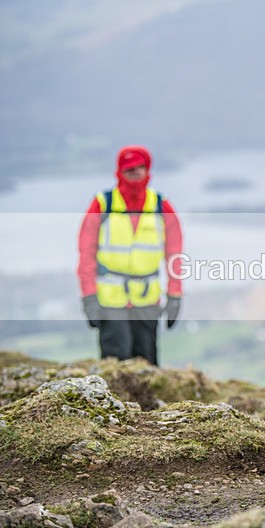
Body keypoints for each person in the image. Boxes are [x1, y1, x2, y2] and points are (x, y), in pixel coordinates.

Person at [77, 145, 183, 366]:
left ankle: (147, 403)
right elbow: (86, 253)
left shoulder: (161, 206)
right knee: (115, 366)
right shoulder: (103, 203)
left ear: (148, 169)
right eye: (129, 168)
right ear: (119, 171)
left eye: (140, 167)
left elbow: (175, 255)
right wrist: (89, 297)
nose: (135, 171)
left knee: (147, 365)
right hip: (110, 301)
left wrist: (175, 295)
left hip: (147, 300)